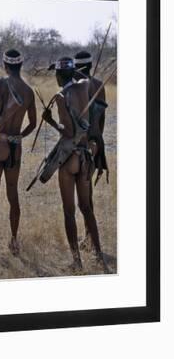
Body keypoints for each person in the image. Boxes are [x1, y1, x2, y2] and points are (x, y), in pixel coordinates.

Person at [41, 56, 107, 271]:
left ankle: (76, 261)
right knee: (87, 209)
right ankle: (99, 257)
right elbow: (85, 78)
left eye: (57, 74)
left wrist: (51, 122)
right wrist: (74, 72)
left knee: (69, 211)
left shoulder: (61, 96)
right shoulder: (85, 86)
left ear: (61, 75)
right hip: (86, 156)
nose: (56, 78)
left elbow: (68, 132)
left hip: (70, 159)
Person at [0, 49, 37, 256]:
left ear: (5, 65)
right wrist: (19, 136)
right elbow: (33, 123)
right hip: (15, 146)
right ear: (21, 65)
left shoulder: (1, 83)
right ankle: (13, 241)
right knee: (13, 195)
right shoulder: (29, 91)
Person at [73, 51, 109, 251]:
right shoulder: (99, 85)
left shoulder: (77, 87)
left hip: (83, 144)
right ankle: (89, 237)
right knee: (87, 195)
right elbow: (101, 118)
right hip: (96, 142)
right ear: (90, 64)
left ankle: (92, 242)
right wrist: (98, 141)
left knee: (83, 200)